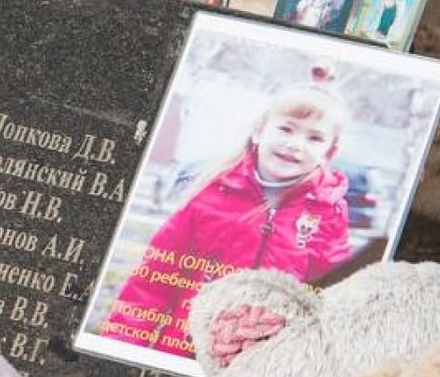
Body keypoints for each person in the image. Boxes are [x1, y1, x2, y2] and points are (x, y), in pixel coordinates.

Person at [101, 76, 351, 358]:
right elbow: (153, 282)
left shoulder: (329, 214)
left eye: (314, 138)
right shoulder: (211, 195)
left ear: (329, 152)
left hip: (262, 363)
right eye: (286, 129)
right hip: (188, 349)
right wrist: (120, 347)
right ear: (259, 132)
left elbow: (332, 301)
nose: (295, 144)